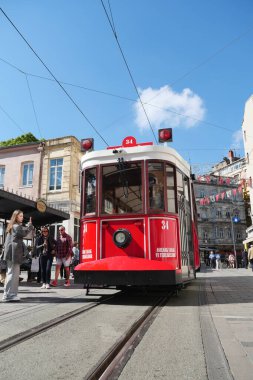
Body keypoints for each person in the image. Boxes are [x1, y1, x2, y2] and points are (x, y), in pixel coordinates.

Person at [2, 210, 33, 302]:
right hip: (13, 253)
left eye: (22, 216)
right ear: (15, 217)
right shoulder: (16, 226)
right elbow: (24, 233)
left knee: (13, 274)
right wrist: (30, 226)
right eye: (20, 216)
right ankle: (8, 295)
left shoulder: (13, 226)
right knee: (12, 274)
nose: (22, 217)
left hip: (13, 253)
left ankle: (11, 294)